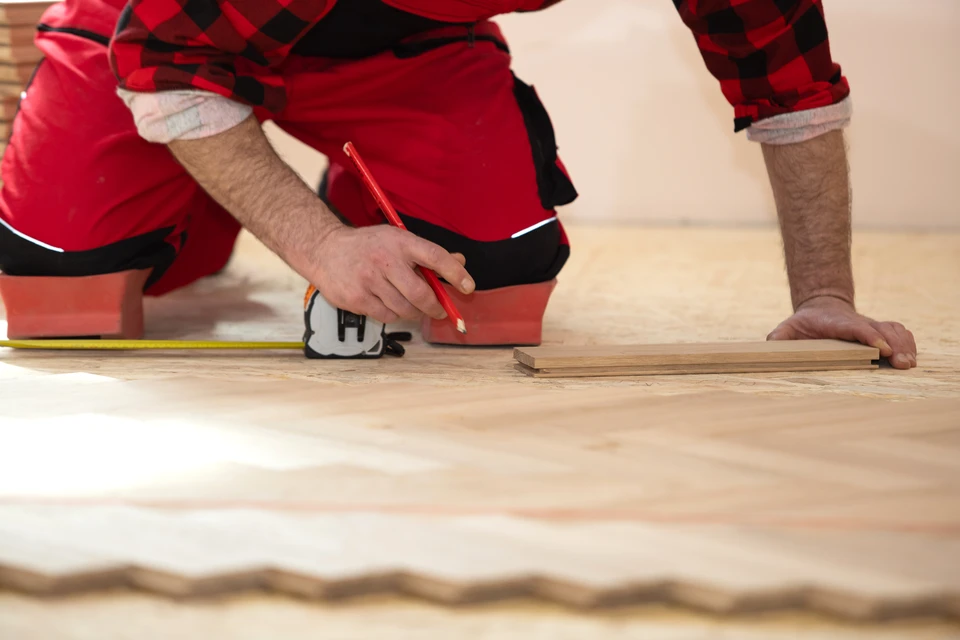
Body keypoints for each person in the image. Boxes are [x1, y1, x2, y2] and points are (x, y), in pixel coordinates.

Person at [0, 0, 917, 367]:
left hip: (400, 54)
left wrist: (825, 295)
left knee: (492, 300)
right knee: (61, 310)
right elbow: (159, 51)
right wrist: (315, 242)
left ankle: (303, 181)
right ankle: (204, 181)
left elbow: (785, 81)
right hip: (147, 43)